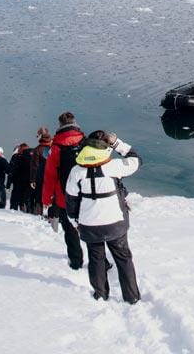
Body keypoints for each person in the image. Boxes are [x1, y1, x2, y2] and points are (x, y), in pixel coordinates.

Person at [65, 130, 142, 304]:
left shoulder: (76, 171)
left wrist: (74, 222)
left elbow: (71, 201)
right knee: (123, 258)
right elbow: (136, 160)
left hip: (89, 225)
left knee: (96, 258)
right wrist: (117, 143)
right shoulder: (113, 167)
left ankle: (100, 294)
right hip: (115, 223)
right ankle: (131, 297)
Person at [42, 111, 85, 269]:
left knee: (70, 230)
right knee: (91, 228)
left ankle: (76, 261)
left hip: (64, 196)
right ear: (75, 122)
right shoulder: (85, 141)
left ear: (60, 125)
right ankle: (102, 261)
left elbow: (50, 176)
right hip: (86, 193)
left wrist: (46, 199)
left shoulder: (56, 147)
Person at [28, 127, 52, 215]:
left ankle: (39, 215)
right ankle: (52, 217)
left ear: (40, 136)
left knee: (39, 196)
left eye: (37, 135)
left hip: (40, 176)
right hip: (52, 176)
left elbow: (34, 166)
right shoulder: (53, 147)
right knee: (52, 197)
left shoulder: (37, 150)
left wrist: (32, 180)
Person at [7, 143, 32, 211]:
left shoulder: (16, 157)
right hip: (29, 183)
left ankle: (14, 213)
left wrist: (8, 185)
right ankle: (28, 213)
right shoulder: (32, 156)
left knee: (15, 201)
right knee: (27, 201)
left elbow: (11, 171)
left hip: (18, 183)